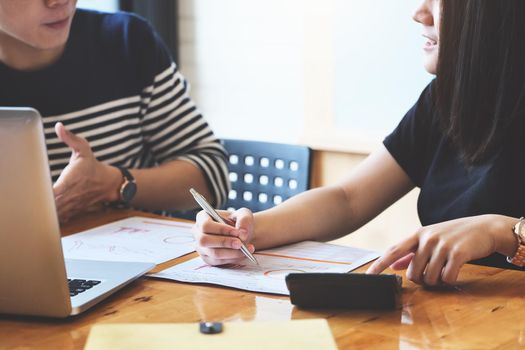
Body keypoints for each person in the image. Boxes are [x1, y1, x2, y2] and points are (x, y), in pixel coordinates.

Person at [193, 0, 525, 286]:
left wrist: (502, 233)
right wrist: (247, 230)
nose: (418, 13)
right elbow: (348, 199)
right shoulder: (445, 98)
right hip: (458, 319)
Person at [0, 0, 229, 223]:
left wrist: (113, 183)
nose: (58, 2)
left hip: (140, 253)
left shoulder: (126, 41)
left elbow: (212, 173)